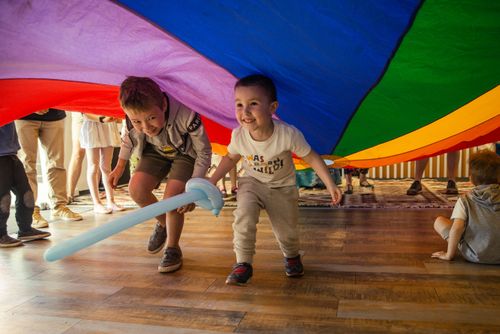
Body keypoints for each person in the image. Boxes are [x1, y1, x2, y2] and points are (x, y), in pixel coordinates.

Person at [209, 74, 342, 285]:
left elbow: (311, 156)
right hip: (252, 183)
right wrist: (212, 180)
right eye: (239, 105)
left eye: (253, 104)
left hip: (282, 187)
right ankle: (243, 263)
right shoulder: (238, 136)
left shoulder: (287, 134)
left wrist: (329, 183)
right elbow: (230, 158)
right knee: (243, 216)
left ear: (272, 108)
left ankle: (291, 256)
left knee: (287, 230)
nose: (245, 112)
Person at [108, 76, 212, 273]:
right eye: (137, 121)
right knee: (136, 189)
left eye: (151, 118)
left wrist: (193, 189)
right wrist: (120, 166)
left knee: (171, 199)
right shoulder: (132, 118)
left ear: (163, 104)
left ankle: (172, 248)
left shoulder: (187, 114)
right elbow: (128, 139)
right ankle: (164, 224)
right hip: (154, 152)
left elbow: (204, 151)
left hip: (185, 154)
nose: (146, 128)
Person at [15, 109, 83, 228]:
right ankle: (30, 211)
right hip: (24, 115)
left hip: (55, 115)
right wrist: (34, 105)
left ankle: (59, 206)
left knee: (57, 163)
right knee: (27, 166)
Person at [431, 150, 499, 263]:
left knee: (439, 221)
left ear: (471, 178)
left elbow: (457, 228)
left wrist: (449, 255)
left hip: (475, 255)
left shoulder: (465, 200)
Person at [0, 122, 51, 247]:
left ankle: (25, 230)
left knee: (27, 195)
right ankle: (1, 235)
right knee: (3, 199)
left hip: (11, 154)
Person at [80, 113, 124, 214]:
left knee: (106, 166)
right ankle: (97, 203)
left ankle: (111, 201)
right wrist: (102, 119)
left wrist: (115, 117)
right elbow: (84, 112)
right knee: (93, 166)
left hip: (108, 126)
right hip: (92, 126)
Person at [66, 112, 86, 204]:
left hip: (99, 107)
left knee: (98, 153)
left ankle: (97, 193)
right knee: (78, 153)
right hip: (80, 112)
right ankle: (70, 194)